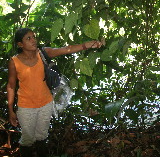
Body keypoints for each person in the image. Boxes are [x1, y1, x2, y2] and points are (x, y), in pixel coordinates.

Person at [6, 28, 102, 157]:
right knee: (28, 139)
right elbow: (11, 86)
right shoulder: (14, 62)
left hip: (46, 103)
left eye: (34, 37)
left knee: (41, 137)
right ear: (20, 44)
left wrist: (86, 45)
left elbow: (67, 49)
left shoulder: (42, 53)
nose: (34, 40)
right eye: (28, 38)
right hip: (26, 107)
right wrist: (11, 109)